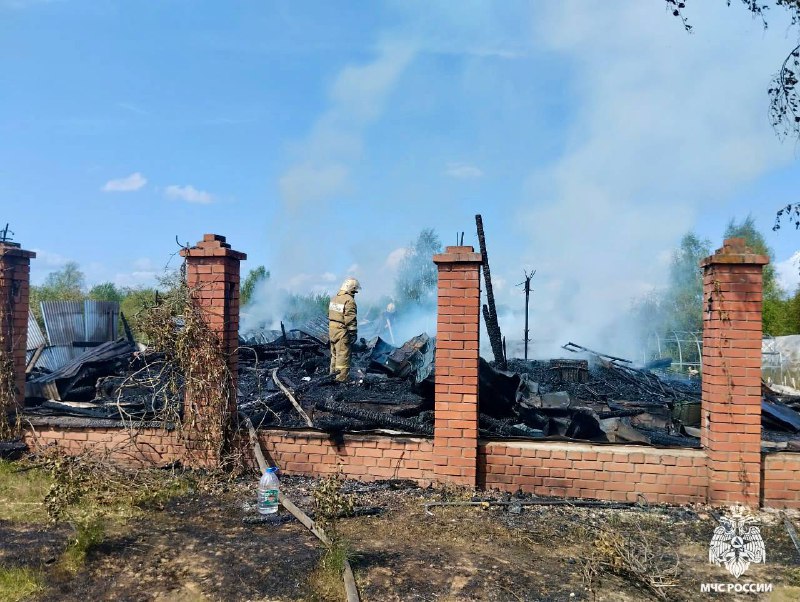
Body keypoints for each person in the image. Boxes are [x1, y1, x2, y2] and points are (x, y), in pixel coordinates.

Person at [328, 277, 360, 382]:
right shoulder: (349, 300)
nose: (354, 294)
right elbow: (350, 319)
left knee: (334, 354)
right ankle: (341, 379)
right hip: (342, 331)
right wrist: (353, 333)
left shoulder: (334, 298)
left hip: (332, 329)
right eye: (354, 291)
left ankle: (331, 375)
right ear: (351, 289)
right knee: (343, 355)